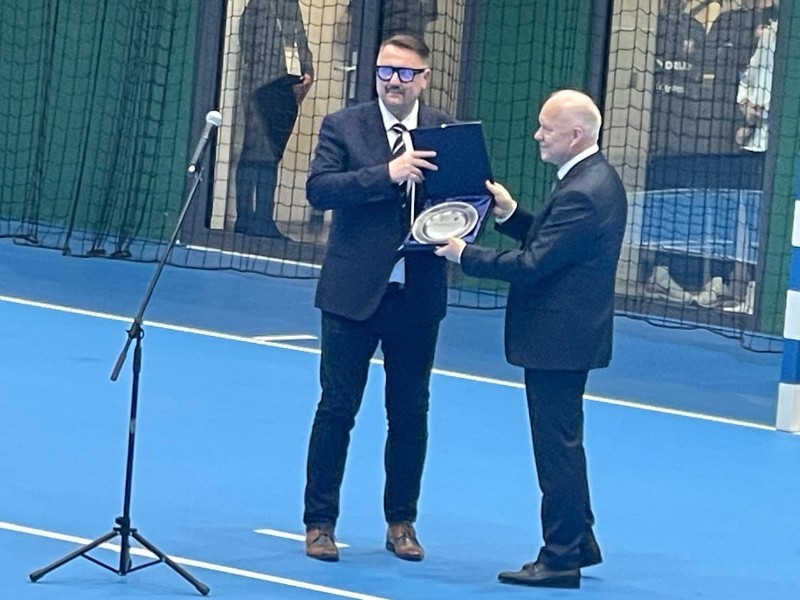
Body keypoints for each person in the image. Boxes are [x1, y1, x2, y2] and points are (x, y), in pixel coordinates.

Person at [435, 89, 627, 589]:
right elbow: (550, 240)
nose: (538, 135)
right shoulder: (590, 180)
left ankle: (560, 558)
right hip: (567, 338)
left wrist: (464, 254)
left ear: (575, 135)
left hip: (559, 340)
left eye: (547, 128)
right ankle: (579, 542)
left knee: (556, 449)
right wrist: (510, 213)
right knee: (563, 442)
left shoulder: (584, 191)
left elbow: (534, 263)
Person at [302, 33, 452, 563]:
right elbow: (320, 188)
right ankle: (320, 523)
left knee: (409, 413)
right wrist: (386, 174)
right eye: (386, 70)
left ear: (424, 79)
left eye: (406, 73)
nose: (394, 81)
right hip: (351, 294)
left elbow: (465, 197)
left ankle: (401, 523)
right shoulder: (343, 126)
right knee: (336, 409)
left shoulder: (446, 131)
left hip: (417, 295)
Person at [234, 0, 314, 238]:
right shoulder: (257, 5)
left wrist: (308, 71)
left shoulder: (291, 5)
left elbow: (300, 38)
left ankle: (263, 219)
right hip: (260, 88)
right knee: (256, 151)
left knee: (271, 153)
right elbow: (247, 41)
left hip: (286, 88)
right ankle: (246, 219)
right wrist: (267, 71)